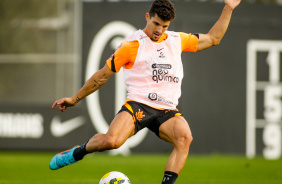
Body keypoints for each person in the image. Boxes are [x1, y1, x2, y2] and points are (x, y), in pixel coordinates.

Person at [49, 0, 241, 183]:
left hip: (166, 110)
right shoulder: (132, 45)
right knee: (111, 142)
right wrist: (75, 99)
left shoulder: (176, 40)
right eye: (156, 23)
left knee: (184, 138)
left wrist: (228, 8)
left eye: (164, 26)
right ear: (147, 16)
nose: (159, 30)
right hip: (139, 104)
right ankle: (76, 153)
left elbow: (214, 38)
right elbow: (101, 76)